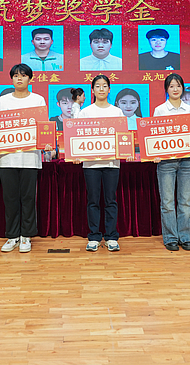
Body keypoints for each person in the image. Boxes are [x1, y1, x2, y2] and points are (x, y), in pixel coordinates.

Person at [0, 64, 49, 253]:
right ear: (12, 79)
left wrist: (47, 142)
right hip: (7, 159)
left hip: (30, 159)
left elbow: (43, 127)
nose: (19, 79)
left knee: (28, 198)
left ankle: (26, 236)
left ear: (30, 79)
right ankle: (12, 236)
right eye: (16, 76)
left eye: (23, 76)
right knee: (10, 199)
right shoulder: (3, 101)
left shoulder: (38, 100)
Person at [75, 75, 126, 252]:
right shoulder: (85, 112)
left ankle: (111, 236)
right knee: (93, 201)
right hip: (91, 165)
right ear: (93, 90)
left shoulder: (117, 112)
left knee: (111, 200)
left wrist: (126, 151)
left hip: (112, 164)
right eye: (98, 86)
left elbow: (123, 138)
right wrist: (76, 154)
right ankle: (94, 236)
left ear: (109, 89)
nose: (101, 89)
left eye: (105, 86)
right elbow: (77, 137)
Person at [152, 74, 190, 251]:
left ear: (182, 88)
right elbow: (154, 136)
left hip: (186, 161)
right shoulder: (160, 110)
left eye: (178, 86)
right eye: (171, 86)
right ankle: (170, 237)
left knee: (185, 202)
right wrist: (154, 153)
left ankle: (185, 238)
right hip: (166, 162)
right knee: (168, 202)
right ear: (166, 89)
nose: (175, 89)